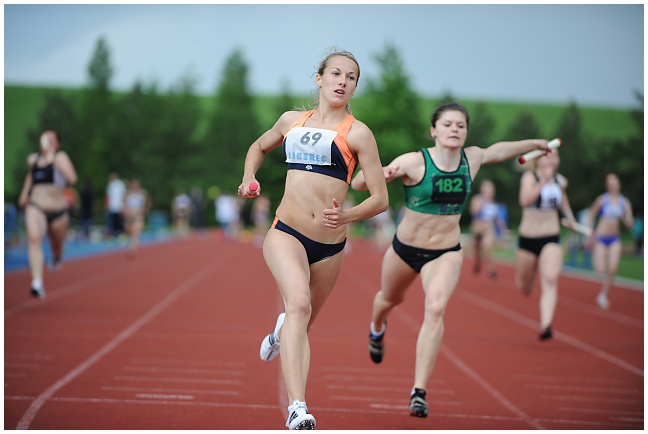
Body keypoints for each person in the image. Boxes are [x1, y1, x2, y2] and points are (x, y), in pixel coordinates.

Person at [351, 102, 554, 419]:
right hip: (405, 249)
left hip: (445, 251)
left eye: (461, 125)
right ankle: (377, 329)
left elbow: (500, 150)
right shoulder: (415, 161)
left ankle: (419, 392)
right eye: (447, 124)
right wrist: (382, 174)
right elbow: (358, 184)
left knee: (435, 308)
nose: (454, 130)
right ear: (433, 130)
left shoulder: (471, 158)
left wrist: (535, 144)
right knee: (388, 300)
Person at [237, 49, 388, 430]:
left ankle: (280, 331)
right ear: (319, 79)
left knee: (301, 325)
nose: (342, 81)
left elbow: (380, 199)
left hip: (330, 246)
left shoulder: (358, 133)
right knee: (299, 304)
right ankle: (297, 408)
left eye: (351, 77)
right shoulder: (291, 120)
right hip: (286, 232)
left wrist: (348, 215)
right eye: (335, 73)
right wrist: (249, 177)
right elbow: (258, 147)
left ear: (355, 87)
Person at [515, 148, 576, 340]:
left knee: (550, 278)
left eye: (555, 155)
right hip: (528, 238)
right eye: (547, 155)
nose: (551, 159)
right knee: (524, 287)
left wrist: (570, 217)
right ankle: (529, 278)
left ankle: (546, 325)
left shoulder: (560, 181)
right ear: (538, 160)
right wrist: (544, 180)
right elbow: (525, 201)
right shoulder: (529, 178)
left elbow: (563, 201)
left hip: (551, 236)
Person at [17, 130, 77, 298]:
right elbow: (30, 178)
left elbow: (72, 179)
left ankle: (56, 257)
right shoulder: (33, 160)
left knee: (57, 246)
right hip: (36, 206)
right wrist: (24, 194)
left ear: (57, 143)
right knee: (34, 238)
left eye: (51, 139)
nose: (46, 142)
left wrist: (54, 160)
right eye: (44, 138)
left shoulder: (60, 157)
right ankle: (37, 282)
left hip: (57, 210)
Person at [587, 173, 634, 309]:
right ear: (607, 185)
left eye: (615, 182)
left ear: (619, 183)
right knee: (600, 271)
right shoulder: (602, 200)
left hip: (615, 239)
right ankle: (597, 265)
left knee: (612, 269)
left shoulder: (624, 202)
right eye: (610, 182)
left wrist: (624, 217)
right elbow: (591, 215)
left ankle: (603, 295)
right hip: (601, 237)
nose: (613, 185)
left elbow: (630, 224)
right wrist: (590, 234)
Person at [469, 179, 507, 279]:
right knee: (476, 248)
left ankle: (491, 269)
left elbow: (497, 219)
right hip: (477, 226)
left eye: (491, 190)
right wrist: (483, 201)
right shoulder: (477, 199)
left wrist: (503, 229)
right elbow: (474, 211)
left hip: (488, 227)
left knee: (487, 247)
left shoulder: (494, 204)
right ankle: (477, 262)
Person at [123, 178, 151, 257]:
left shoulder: (142, 193)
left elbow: (148, 201)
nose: (134, 187)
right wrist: (125, 210)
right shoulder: (128, 194)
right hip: (129, 214)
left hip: (138, 214)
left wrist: (145, 210)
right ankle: (131, 244)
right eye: (133, 185)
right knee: (129, 231)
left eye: (136, 185)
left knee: (135, 231)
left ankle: (133, 248)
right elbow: (124, 203)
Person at [105, 172, 126, 239]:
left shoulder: (120, 184)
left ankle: (121, 233)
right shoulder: (110, 185)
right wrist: (107, 205)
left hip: (119, 206)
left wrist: (123, 204)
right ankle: (112, 234)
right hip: (112, 207)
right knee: (112, 221)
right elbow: (108, 196)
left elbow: (123, 195)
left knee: (119, 221)